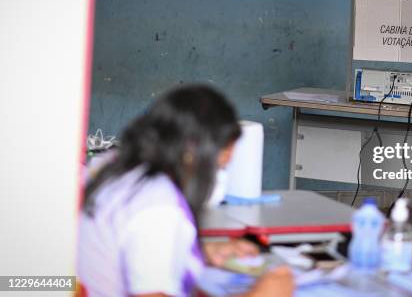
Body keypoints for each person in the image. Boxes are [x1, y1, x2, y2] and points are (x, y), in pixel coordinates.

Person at [77, 85, 294, 296]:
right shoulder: (158, 208)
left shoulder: (116, 168)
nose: (220, 178)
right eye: (220, 166)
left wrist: (196, 254)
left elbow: (128, 244)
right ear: (192, 155)